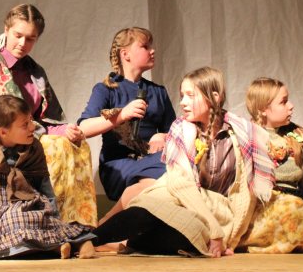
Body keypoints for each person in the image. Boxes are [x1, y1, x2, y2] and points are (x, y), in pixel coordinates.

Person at [92, 66, 275, 257]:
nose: (183, 102)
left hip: (217, 209)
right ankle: (88, 240)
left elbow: (245, 196)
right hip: (180, 197)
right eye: (182, 96)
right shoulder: (180, 129)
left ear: (215, 97)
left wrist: (230, 241)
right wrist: (214, 229)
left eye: (190, 96)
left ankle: (126, 244)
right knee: (147, 208)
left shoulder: (241, 134)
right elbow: (180, 184)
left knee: (190, 236)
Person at [0, 4, 97, 227]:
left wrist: (64, 130)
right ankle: (46, 220)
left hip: (30, 139)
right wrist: (4, 146)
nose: (23, 43)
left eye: (30, 39)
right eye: (18, 35)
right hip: (1, 147)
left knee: (74, 145)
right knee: (53, 148)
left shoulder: (35, 73)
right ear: (6, 30)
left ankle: (73, 221)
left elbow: (42, 121)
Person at [0, 95, 95, 260]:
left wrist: (55, 220)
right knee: (1, 229)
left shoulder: (34, 147)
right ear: (3, 132)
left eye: (31, 121)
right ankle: (55, 248)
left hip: (29, 204)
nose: (32, 127)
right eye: (25, 124)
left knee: (23, 219)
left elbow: (45, 186)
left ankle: (74, 242)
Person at [78, 27, 176, 223]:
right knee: (165, 172)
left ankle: (108, 225)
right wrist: (122, 115)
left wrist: (163, 136)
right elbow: (83, 128)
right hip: (119, 164)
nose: (153, 51)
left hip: (154, 160)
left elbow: (177, 131)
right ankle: (109, 224)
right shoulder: (106, 89)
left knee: (170, 174)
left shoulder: (158, 91)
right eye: (145, 46)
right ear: (125, 54)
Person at [240, 77, 303, 253]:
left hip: (296, 208)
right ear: (263, 109)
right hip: (265, 210)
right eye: (283, 102)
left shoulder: (297, 135)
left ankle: (289, 241)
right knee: (291, 211)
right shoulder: (247, 137)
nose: (291, 106)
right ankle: (272, 242)